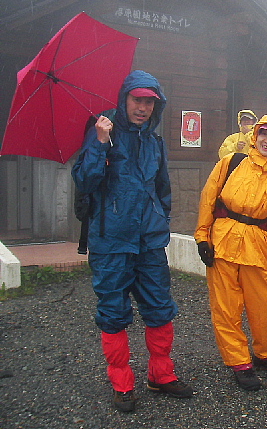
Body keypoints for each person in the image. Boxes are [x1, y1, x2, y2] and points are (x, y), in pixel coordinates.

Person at [72, 70, 193, 413]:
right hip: (111, 241)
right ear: (124, 99)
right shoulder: (102, 132)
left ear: (157, 106)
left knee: (159, 307)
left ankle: (161, 374)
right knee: (113, 312)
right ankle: (122, 383)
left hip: (149, 241)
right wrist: (99, 143)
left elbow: (162, 188)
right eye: (137, 100)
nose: (143, 108)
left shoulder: (155, 142)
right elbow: (84, 180)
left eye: (149, 102)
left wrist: (160, 219)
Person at [194, 114, 267, 391]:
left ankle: (265, 353)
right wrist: (202, 236)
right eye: (265, 134)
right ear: (256, 135)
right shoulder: (231, 162)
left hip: (257, 246)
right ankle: (239, 362)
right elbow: (208, 198)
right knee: (226, 307)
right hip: (223, 241)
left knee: (264, 305)